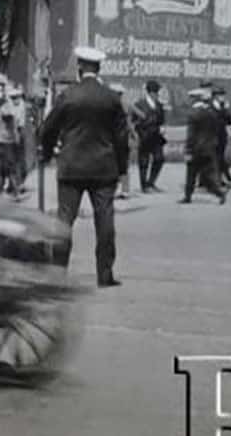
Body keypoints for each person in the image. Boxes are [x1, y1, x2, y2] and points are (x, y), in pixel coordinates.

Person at [40, 45, 130, 288]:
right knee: (105, 221)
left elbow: (48, 129)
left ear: (79, 68)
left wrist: (47, 153)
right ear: (98, 68)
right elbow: (122, 138)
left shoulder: (68, 96)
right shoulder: (111, 98)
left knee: (64, 221)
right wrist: (121, 168)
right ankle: (105, 273)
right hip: (103, 167)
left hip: (71, 167)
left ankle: (58, 274)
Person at [179, 84, 226, 204]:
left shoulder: (193, 114)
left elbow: (191, 135)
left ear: (195, 99)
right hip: (209, 147)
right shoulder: (212, 113)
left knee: (191, 173)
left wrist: (188, 150)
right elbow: (216, 130)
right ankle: (218, 192)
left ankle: (187, 196)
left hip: (196, 148)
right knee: (208, 174)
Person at [130, 79, 166, 193]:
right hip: (145, 136)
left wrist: (162, 127)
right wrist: (139, 131)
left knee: (159, 159)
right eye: (154, 92)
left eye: (157, 92)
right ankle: (144, 185)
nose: (156, 94)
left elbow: (161, 120)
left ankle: (151, 182)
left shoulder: (159, 105)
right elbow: (133, 121)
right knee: (144, 161)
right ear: (149, 92)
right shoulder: (139, 104)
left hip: (156, 137)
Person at [211, 88, 231, 189]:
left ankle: (221, 179)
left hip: (222, 135)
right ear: (215, 96)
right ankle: (217, 180)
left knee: (220, 157)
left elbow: (229, 121)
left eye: (223, 95)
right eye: (220, 95)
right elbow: (215, 119)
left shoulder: (223, 106)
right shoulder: (212, 106)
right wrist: (223, 110)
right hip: (213, 135)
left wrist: (226, 110)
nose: (222, 97)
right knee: (215, 158)